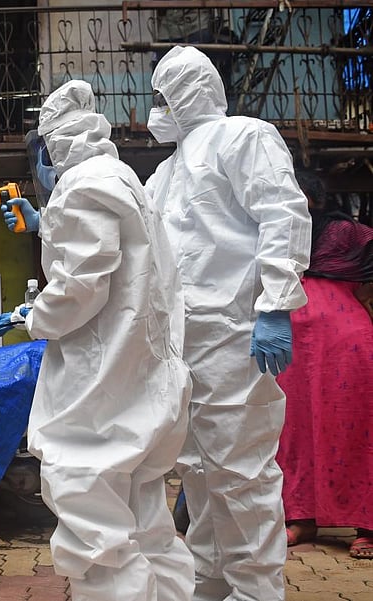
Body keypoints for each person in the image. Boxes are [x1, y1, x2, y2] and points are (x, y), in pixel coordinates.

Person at [0, 79, 195, 601]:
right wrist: (47, 224)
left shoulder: (80, 187)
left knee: (91, 517)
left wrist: (35, 317)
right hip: (146, 381)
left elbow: (81, 285)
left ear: (53, 152)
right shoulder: (124, 178)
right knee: (146, 522)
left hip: (102, 389)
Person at [145, 45, 312, 601]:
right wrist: (46, 222)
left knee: (242, 472)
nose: (156, 110)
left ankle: (257, 589)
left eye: (162, 98)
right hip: (183, 344)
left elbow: (281, 214)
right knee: (197, 467)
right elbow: (135, 237)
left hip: (236, 335)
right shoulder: (166, 173)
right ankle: (212, 576)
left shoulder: (245, 136)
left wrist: (276, 304)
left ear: (183, 95)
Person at [275, 170, 373, 559]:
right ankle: (300, 518)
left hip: (345, 342)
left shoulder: (346, 232)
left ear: (313, 197)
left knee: (356, 427)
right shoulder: (271, 230)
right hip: (289, 342)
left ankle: (366, 526)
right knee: (293, 429)